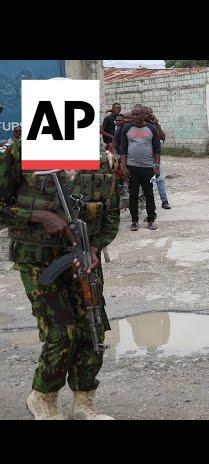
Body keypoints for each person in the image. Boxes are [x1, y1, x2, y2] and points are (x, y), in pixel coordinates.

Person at [0, 136, 120, 420]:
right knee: (60, 332)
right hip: (37, 258)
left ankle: (84, 403)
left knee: (92, 328)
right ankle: (43, 398)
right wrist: (38, 216)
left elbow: (111, 213)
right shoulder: (22, 150)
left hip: (84, 259)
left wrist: (95, 246)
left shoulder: (102, 158)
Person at [119, 106, 163, 231]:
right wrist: (124, 167)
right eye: (133, 114)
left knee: (149, 194)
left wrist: (157, 166)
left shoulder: (151, 129)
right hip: (132, 167)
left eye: (137, 115)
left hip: (148, 168)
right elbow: (123, 150)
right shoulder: (127, 129)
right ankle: (134, 221)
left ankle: (151, 219)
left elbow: (157, 150)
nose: (134, 117)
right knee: (133, 195)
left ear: (144, 115)